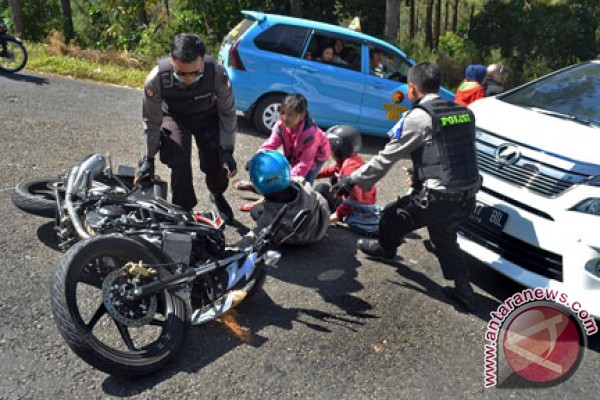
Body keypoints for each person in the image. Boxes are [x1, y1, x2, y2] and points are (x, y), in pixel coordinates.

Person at [331, 62, 481, 312]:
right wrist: (420, 172)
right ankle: (464, 291)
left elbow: (385, 159)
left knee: (391, 215)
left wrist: (351, 180)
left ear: (412, 88)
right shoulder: (463, 112)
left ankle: (385, 249)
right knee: (444, 235)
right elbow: (451, 155)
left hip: (439, 198)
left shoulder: (420, 116)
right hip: (467, 196)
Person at [137, 33, 238, 223]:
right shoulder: (156, 79)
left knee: (216, 162)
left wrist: (227, 149)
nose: (189, 78)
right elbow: (151, 119)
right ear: (171, 59)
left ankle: (217, 194)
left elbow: (227, 113)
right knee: (179, 155)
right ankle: (183, 210)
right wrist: (148, 158)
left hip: (207, 115)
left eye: (195, 73)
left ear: (203, 62)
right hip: (174, 116)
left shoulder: (217, 74)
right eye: (182, 73)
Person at [237, 150, 330, 247]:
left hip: (296, 240)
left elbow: (251, 239)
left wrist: (234, 248)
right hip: (319, 228)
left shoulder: (267, 218)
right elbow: (280, 181)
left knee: (256, 210)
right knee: (321, 189)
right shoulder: (302, 184)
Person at [315, 125, 380, 237]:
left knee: (321, 189)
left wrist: (335, 216)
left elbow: (354, 201)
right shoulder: (351, 160)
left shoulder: (349, 167)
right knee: (334, 178)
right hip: (360, 204)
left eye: (332, 147)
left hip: (357, 210)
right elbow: (328, 170)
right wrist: (306, 175)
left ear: (341, 149)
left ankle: (323, 217)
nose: (330, 151)